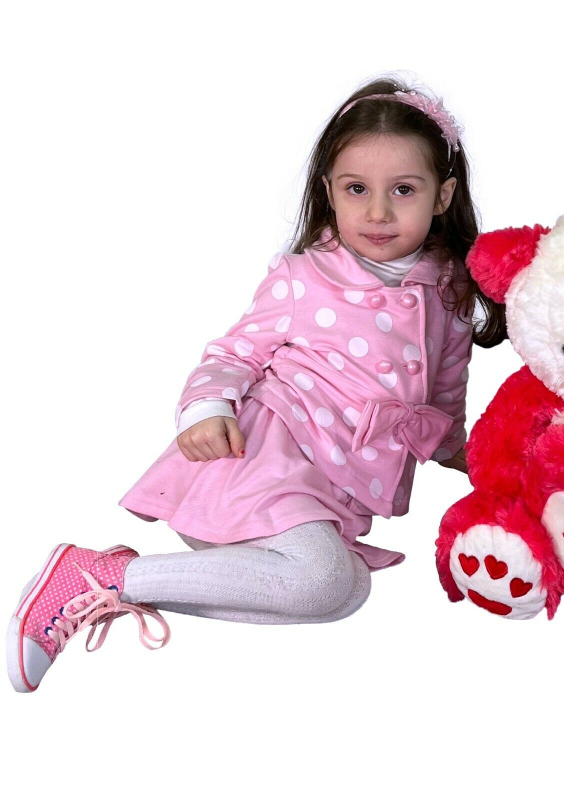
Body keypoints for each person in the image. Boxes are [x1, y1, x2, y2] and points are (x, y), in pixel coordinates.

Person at [7, 76, 506, 693]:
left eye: (403, 190)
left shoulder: (449, 289)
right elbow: (233, 353)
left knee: (347, 591)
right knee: (322, 580)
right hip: (257, 461)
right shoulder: (304, 277)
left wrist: (480, 460)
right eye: (357, 189)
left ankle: (111, 583)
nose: (378, 212)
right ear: (329, 192)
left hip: (332, 487)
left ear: (442, 195)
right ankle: (96, 577)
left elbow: (444, 396)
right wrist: (207, 408)